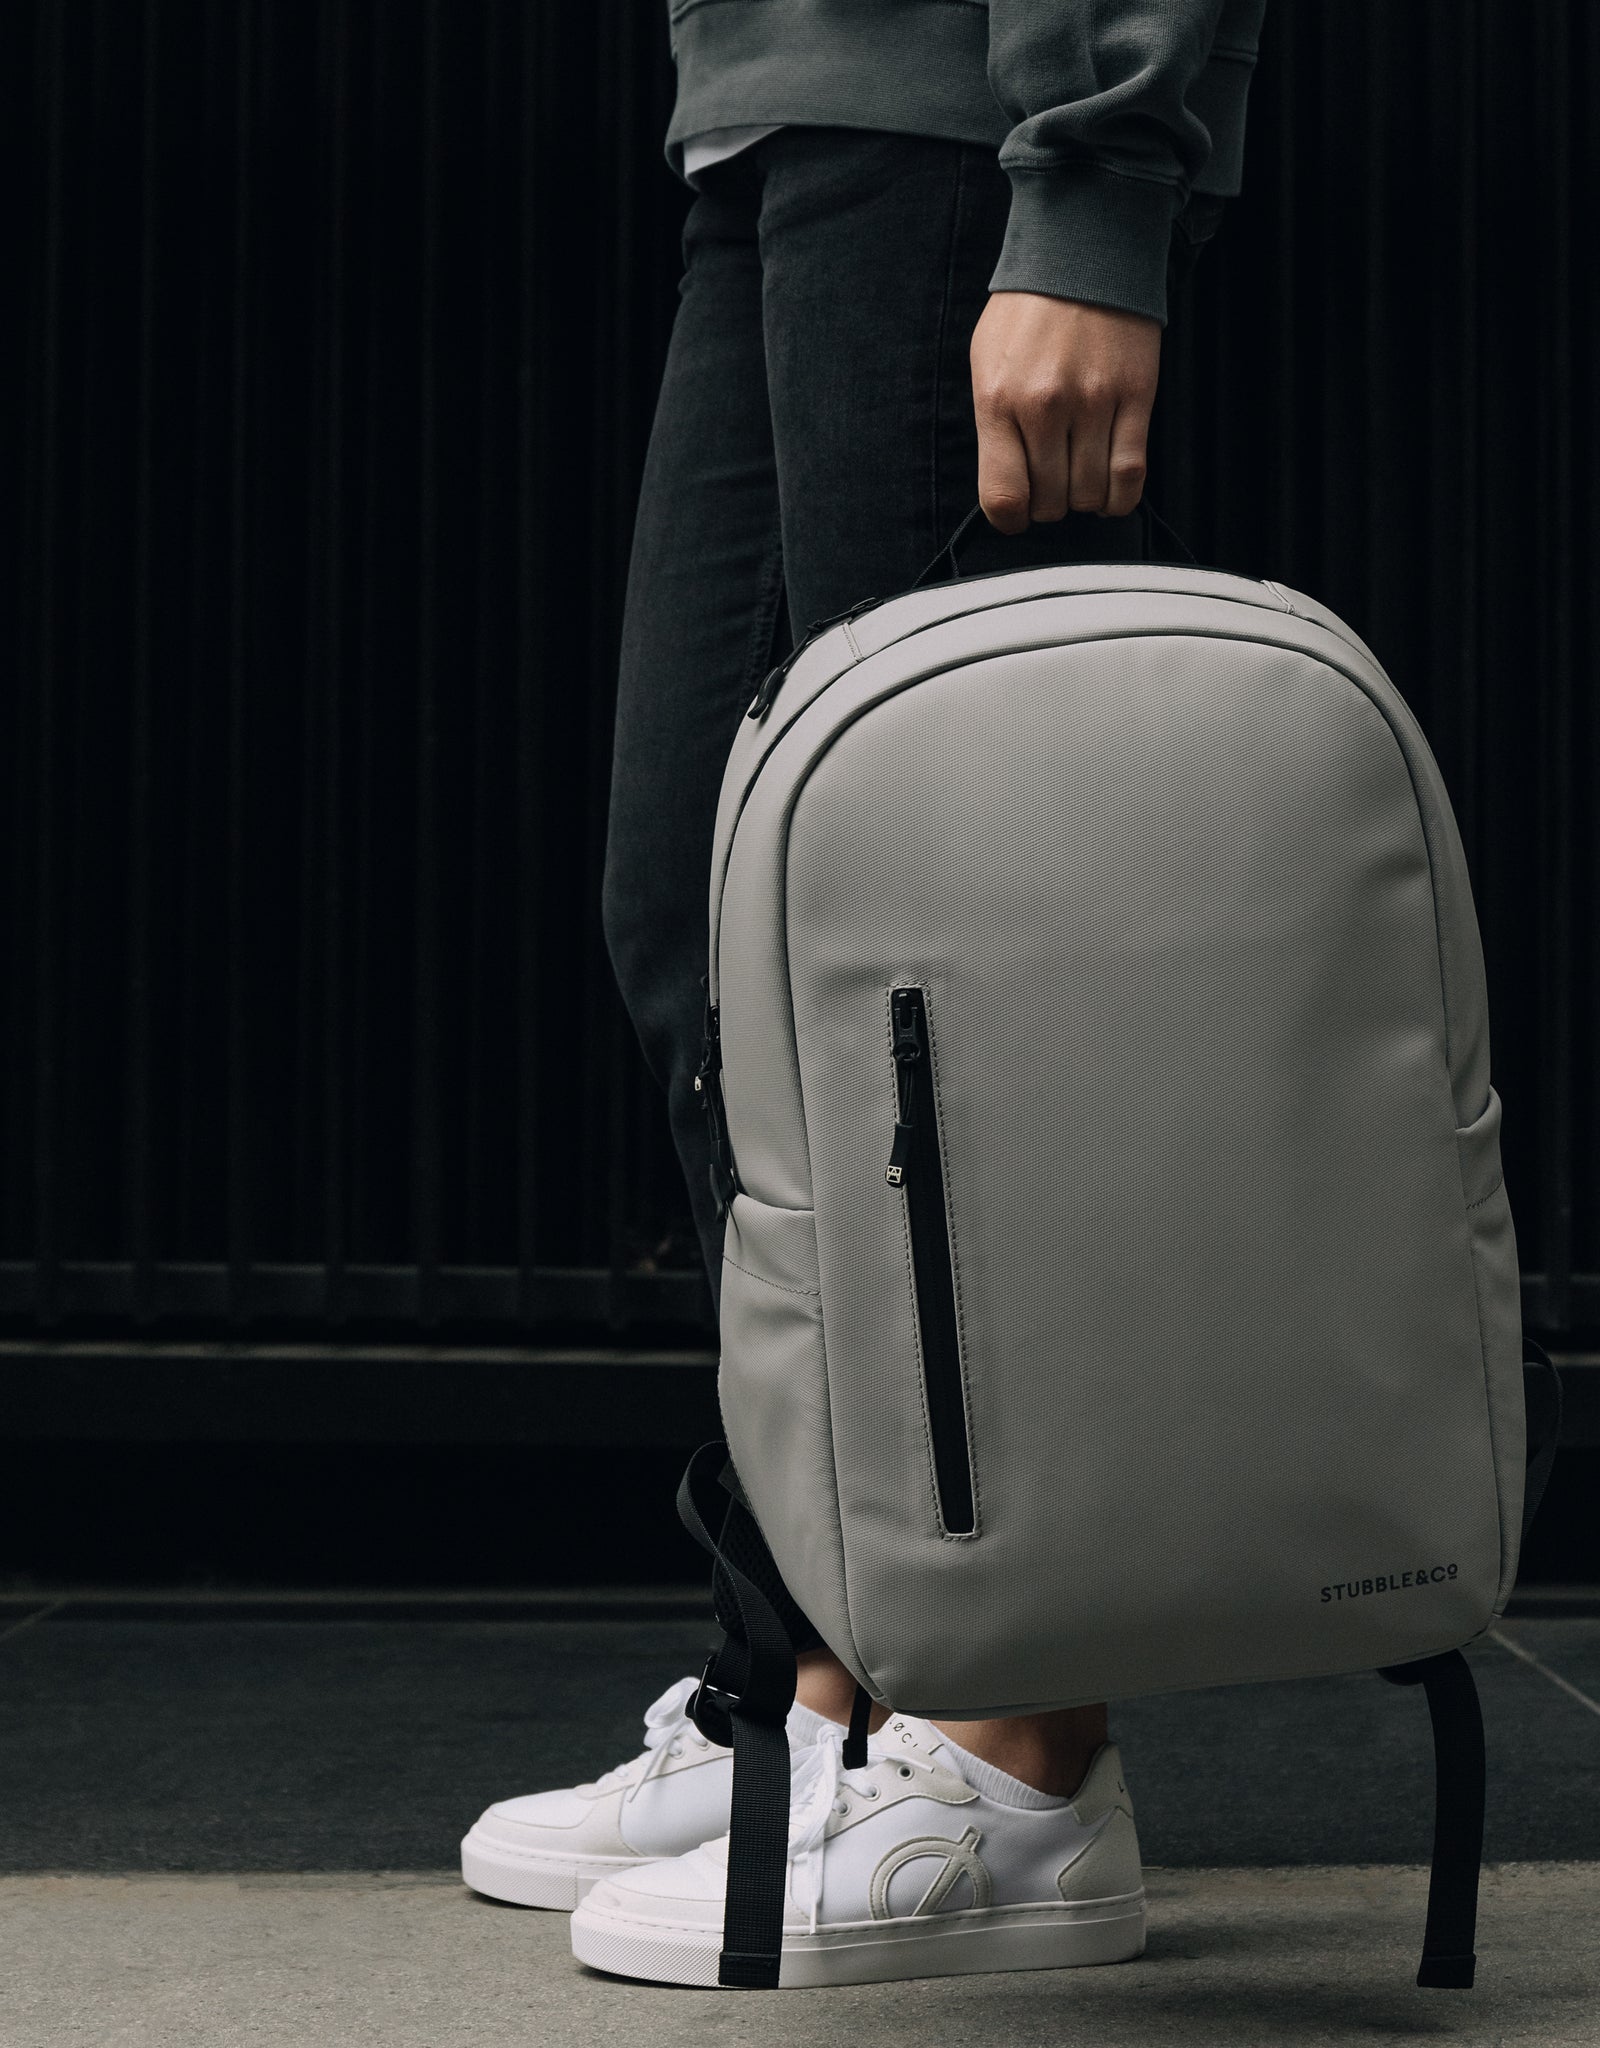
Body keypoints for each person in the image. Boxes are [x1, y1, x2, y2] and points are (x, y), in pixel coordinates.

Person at [462, 0, 1265, 1987]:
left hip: (970, 121)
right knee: (712, 929)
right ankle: (821, 1688)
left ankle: (1020, 1746)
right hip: (773, 114)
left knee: (961, 967)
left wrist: (1092, 174)